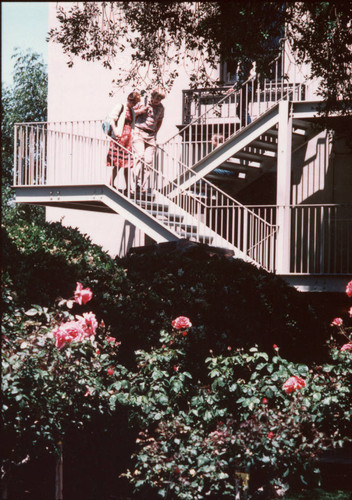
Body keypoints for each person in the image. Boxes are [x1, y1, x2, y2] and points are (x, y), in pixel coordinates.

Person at [105, 91, 141, 189]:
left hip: (128, 139)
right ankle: (111, 183)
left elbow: (132, 124)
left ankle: (128, 187)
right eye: (133, 102)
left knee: (127, 163)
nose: (133, 104)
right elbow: (112, 119)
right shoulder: (121, 106)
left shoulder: (132, 110)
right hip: (120, 137)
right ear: (129, 99)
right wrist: (116, 131)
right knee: (118, 163)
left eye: (135, 103)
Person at [133, 87, 166, 191]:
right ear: (152, 96)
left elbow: (160, 121)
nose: (158, 101)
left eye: (160, 99)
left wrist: (156, 133)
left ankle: (142, 186)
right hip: (139, 132)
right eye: (157, 98)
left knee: (148, 161)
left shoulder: (161, 108)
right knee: (140, 156)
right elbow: (131, 113)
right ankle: (134, 184)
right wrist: (140, 111)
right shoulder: (143, 103)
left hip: (151, 135)